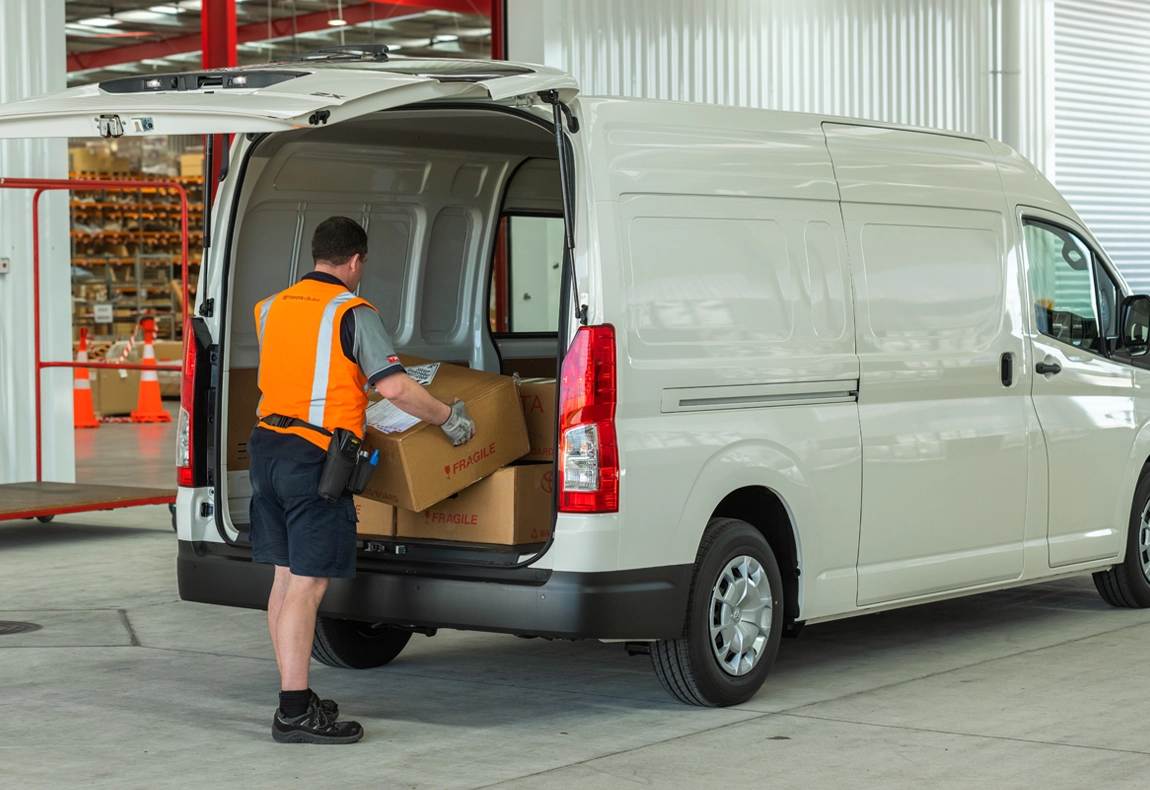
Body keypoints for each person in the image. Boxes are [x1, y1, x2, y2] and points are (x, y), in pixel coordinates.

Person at [249, 216, 475, 744]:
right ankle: (294, 713)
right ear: (356, 262)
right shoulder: (352, 310)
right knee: (309, 583)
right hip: (314, 458)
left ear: (316, 255)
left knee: (285, 579)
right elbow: (394, 387)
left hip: (265, 448)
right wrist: (447, 418)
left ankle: (294, 695)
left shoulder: (272, 307)